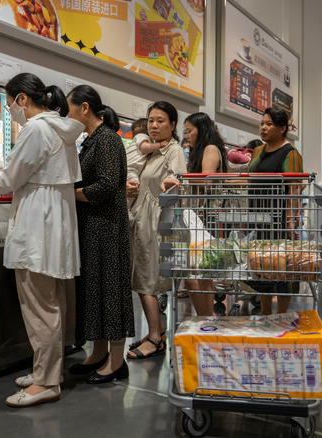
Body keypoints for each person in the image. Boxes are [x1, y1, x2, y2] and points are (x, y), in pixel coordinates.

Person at [0, 73, 83, 408]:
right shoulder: (61, 130)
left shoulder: (35, 129)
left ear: (21, 99)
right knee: (52, 305)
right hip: (56, 222)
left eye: (9, 103)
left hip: (37, 225)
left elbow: (9, 178)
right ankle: (46, 371)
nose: (11, 110)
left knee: (39, 307)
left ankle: (47, 382)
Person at [65, 85, 135, 383]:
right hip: (93, 229)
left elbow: (106, 185)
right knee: (95, 292)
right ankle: (98, 353)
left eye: (69, 109)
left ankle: (117, 362)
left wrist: (70, 194)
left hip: (107, 229)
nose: (68, 116)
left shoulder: (106, 140)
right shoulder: (92, 140)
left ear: (84, 108)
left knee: (111, 293)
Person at [126, 101, 186, 360]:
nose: (154, 125)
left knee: (147, 279)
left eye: (160, 121)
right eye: (151, 120)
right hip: (141, 218)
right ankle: (156, 332)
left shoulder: (174, 151)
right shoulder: (148, 149)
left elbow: (178, 180)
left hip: (157, 221)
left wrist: (172, 182)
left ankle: (155, 337)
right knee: (141, 276)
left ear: (173, 125)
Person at [247, 107, 303, 314]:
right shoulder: (258, 150)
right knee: (260, 263)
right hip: (257, 215)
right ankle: (264, 311)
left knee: (281, 267)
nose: (263, 128)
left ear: (282, 128)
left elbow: (295, 188)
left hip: (277, 218)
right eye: (262, 123)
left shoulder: (290, 153)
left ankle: (281, 314)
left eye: (268, 124)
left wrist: (290, 222)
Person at [180, 112, 227, 316]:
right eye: (185, 131)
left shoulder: (209, 148)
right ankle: (206, 318)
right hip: (201, 216)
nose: (187, 135)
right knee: (200, 273)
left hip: (207, 218)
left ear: (202, 129)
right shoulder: (198, 151)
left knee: (195, 272)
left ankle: (204, 318)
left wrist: (180, 176)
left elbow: (206, 179)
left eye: (190, 130)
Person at [125, 118, 160, 211]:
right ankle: (126, 211)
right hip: (131, 170)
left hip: (128, 169)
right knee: (133, 189)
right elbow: (145, 148)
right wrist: (159, 145)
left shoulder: (136, 139)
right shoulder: (142, 136)